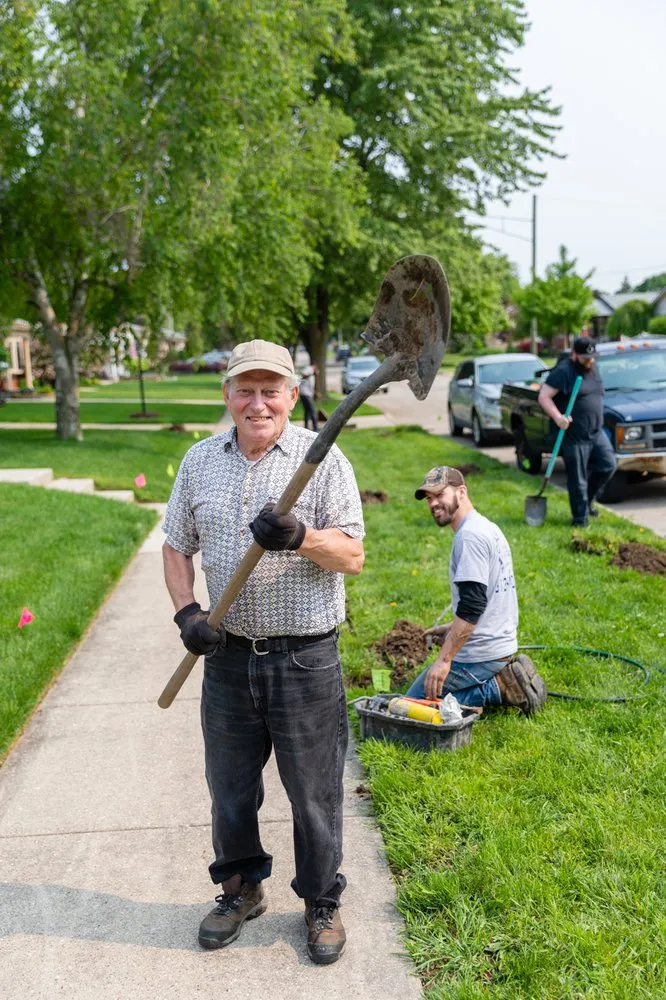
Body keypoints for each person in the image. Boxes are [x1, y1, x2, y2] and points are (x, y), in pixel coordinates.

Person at [162, 339, 364, 965]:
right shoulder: (200, 461)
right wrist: (188, 612)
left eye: (270, 391)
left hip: (304, 659)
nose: (258, 404)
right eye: (245, 391)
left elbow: (352, 555)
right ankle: (240, 889)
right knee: (229, 789)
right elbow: (176, 545)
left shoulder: (322, 460)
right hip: (226, 660)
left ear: (292, 395)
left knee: (313, 792)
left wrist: (301, 536)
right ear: (226, 395)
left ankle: (321, 900)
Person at [406, 466, 547, 714]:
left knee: (411, 706)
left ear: (461, 492)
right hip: (500, 644)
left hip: (482, 653)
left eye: (440, 494)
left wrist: (444, 660)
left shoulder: (469, 537)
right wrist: (452, 629)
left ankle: (499, 687)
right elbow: (488, 598)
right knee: (422, 699)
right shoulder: (486, 527)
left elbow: (472, 606)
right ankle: (501, 678)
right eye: (429, 498)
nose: (433, 503)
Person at [537, 336, 616, 527]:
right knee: (577, 479)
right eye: (585, 358)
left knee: (608, 465)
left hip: (595, 432)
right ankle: (580, 519)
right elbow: (544, 396)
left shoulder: (593, 368)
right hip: (574, 435)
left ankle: (587, 502)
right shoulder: (563, 371)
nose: (590, 361)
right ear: (574, 355)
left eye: (592, 357)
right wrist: (558, 417)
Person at [299, 362, 318, 431]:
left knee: (307, 411)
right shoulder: (309, 369)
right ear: (314, 366)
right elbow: (303, 374)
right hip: (305, 394)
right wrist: (311, 373)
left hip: (305, 393)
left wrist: (315, 393)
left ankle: (306, 427)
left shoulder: (312, 373)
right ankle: (315, 428)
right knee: (313, 411)